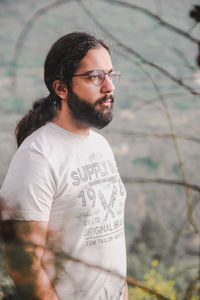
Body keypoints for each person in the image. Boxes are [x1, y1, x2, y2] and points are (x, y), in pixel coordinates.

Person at [0, 32, 128, 300]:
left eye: (110, 75)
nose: (109, 87)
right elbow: (23, 266)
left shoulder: (100, 146)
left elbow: (112, 246)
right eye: (95, 77)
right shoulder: (37, 156)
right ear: (61, 88)